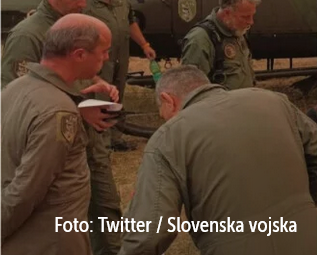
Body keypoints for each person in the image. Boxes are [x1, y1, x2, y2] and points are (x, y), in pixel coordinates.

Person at [118, 65, 317, 255]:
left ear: (167, 100)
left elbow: (149, 233)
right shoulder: (274, 101)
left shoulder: (168, 137)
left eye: (163, 114)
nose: (165, 120)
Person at [2, 0, 123, 255]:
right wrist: (77, 110)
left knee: (105, 211)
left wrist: (96, 86)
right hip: (57, 136)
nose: (82, 4)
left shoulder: (78, 24)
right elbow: (25, 97)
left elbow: (66, 76)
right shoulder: (28, 35)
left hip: (83, 139)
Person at [84, 0, 155, 151]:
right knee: (101, 97)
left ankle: (115, 138)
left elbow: (130, 22)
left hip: (120, 55)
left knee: (118, 93)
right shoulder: (84, 2)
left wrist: (144, 45)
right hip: (99, 58)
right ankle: (100, 142)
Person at [180, 0, 258, 90]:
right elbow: (192, 89)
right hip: (221, 105)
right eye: (245, 17)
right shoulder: (200, 39)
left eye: (252, 16)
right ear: (227, 13)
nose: (251, 22)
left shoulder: (236, 30)